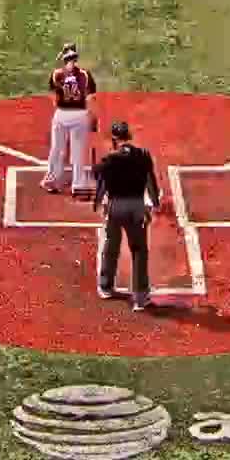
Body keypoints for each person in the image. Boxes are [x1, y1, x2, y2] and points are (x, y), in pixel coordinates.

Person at [92, 120, 162, 312]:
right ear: (128, 137)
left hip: (115, 207)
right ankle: (140, 298)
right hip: (136, 207)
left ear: (114, 139)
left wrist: (97, 202)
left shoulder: (110, 159)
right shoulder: (143, 155)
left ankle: (106, 287)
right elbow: (150, 180)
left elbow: (101, 183)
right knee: (139, 251)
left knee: (111, 246)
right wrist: (155, 202)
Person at [41, 45, 97, 196]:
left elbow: (54, 97)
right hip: (80, 114)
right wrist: (92, 117)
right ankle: (78, 185)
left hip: (62, 114)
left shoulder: (57, 74)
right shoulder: (85, 74)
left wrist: (61, 108)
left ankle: (52, 180)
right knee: (78, 151)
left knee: (57, 149)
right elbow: (90, 98)